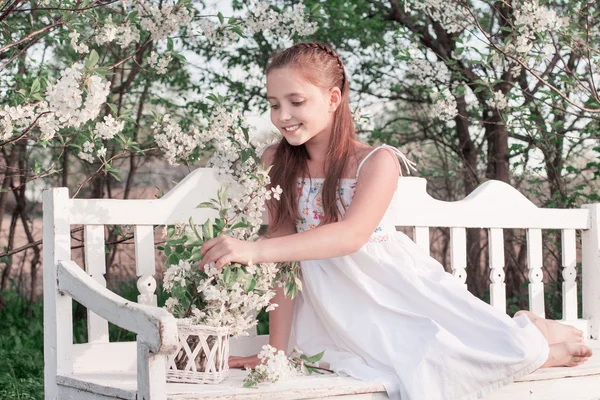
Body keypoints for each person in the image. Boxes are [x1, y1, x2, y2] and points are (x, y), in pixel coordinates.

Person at [199, 42, 592, 400]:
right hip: (330, 305)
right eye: (273, 104)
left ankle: (535, 337)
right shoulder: (276, 160)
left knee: (442, 355)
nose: (282, 116)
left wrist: (252, 249)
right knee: (401, 364)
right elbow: (281, 261)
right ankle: (526, 336)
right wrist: (275, 352)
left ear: (333, 98)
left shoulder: (376, 161)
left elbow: (350, 236)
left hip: (392, 288)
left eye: (296, 101)